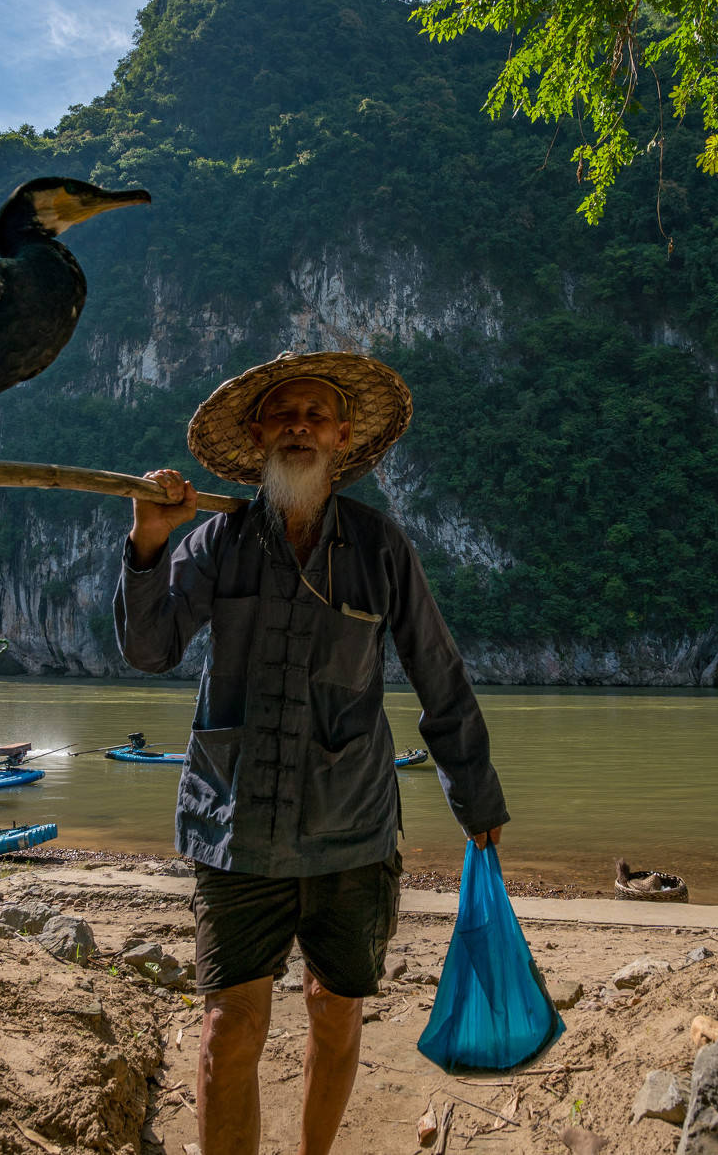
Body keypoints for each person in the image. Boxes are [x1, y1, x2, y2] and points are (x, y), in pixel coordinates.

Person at [115, 351, 509, 1155]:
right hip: (235, 826)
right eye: (283, 413)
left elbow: (438, 671)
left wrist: (477, 802)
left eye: (315, 414)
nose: (299, 424)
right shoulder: (216, 541)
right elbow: (149, 649)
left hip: (350, 831)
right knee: (227, 1029)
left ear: (342, 437)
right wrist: (149, 544)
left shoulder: (379, 547)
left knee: (335, 1012)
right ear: (258, 434)